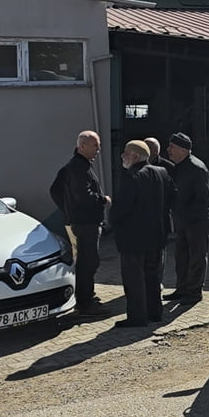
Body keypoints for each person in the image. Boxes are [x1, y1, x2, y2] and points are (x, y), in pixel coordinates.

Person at [109, 141, 175, 328]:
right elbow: (172, 197)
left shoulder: (131, 177)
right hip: (157, 235)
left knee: (134, 278)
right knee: (153, 277)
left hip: (134, 239)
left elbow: (121, 208)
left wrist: (113, 221)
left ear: (136, 156)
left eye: (125, 153)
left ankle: (137, 317)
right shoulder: (161, 172)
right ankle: (155, 313)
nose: (122, 156)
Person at [48, 131, 111, 315]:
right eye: (95, 146)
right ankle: (85, 302)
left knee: (89, 260)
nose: (98, 150)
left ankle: (87, 295)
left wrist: (68, 209)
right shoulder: (77, 168)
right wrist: (103, 200)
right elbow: (83, 196)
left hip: (85, 221)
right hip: (85, 223)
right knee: (87, 261)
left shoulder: (81, 165)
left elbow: (56, 190)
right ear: (82, 146)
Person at [165, 132, 209, 303]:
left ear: (183, 149)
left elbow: (203, 198)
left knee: (196, 256)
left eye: (172, 147)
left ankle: (194, 292)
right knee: (181, 256)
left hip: (197, 220)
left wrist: (187, 213)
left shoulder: (197, 168)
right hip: (184, 220)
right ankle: (182, 288)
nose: (168, 150)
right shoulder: (178, 166)